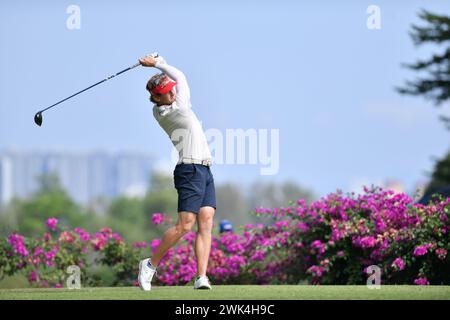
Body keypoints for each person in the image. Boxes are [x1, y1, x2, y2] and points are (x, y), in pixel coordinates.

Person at [137, 54, 216, 291]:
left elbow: (176, 79)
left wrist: (158, 60)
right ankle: (150, 265)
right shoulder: (173, 110)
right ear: (156, 98)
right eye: (166, 92)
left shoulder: (171, 103)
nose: (172, 93)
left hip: (203, 168)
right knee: (185, 225)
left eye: (172, 90)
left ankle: (201, 277)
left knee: (206, 221)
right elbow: (180, 75)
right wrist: (158, 62)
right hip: (190, 170)